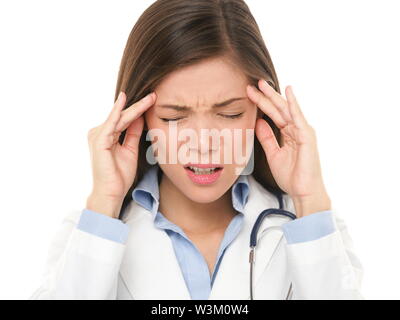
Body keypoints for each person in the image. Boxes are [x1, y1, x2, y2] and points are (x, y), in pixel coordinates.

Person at [30, 0, 363, 300]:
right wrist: (105, 201)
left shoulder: (311, 229)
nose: (203, 144)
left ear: (262, 111)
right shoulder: (90, 234)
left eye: (230, 114)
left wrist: (309, 198)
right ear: (139, 118)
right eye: (174, 117)